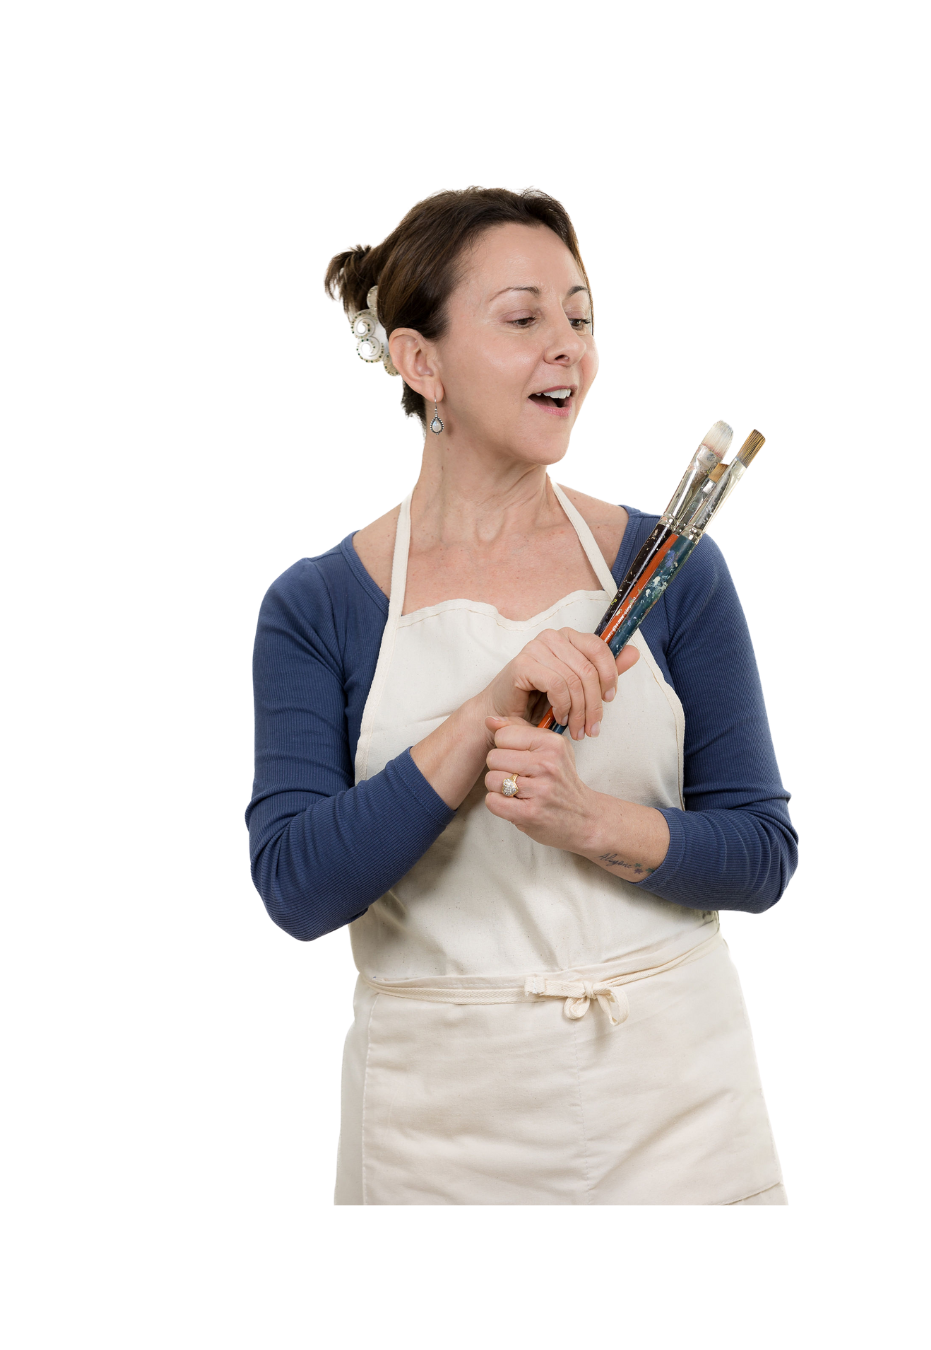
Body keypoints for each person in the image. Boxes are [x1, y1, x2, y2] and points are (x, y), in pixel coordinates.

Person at [250, 186, 798, 1209]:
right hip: (439, 1139)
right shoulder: (318, 604)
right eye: (523, 319)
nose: (568, 350)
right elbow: (299, 891)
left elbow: (765, 860)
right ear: (420, 363)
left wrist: (587, 821)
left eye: (581, 319)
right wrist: (486, 714)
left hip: (677, 1117)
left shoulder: (671, 570)